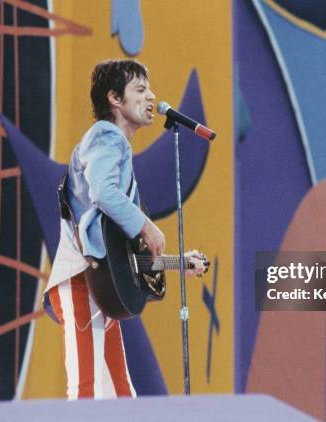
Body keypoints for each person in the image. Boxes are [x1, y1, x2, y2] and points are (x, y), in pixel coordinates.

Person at [43, 59, 205, 400]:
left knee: (122, 394)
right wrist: (146, 225)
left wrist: (177, 262)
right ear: (115, 98)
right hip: (79, 281)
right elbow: (102, 192)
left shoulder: (118, 152)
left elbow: (125, 259)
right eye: (141, 89)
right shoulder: (106, 136)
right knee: (84, 389)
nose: (152, 97)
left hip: (100, 284)